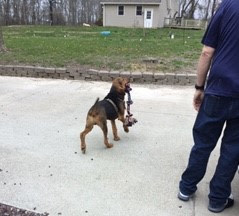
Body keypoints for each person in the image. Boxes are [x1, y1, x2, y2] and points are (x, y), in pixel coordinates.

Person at [178, 0, 239, 213]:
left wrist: (199, 87)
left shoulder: (227, 6)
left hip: (218, 90)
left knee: (203, 142)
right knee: (233, 149)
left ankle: (186, 188)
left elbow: (207, 52)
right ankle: (217, 199)